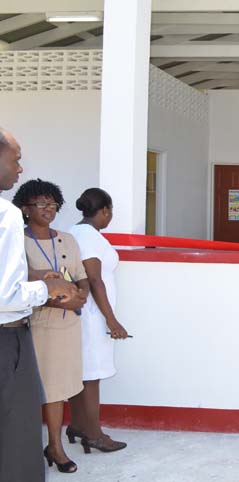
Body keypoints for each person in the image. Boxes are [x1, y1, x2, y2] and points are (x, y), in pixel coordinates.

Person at [0, 128, 78, 482]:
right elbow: (7, 295)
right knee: (18, 440)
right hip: (9, 336)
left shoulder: (68, 239)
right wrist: (47, 289)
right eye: (15, 159)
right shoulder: (5, 216)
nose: (19, 169)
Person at [13, 179, 90, 474]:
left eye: (53, 203)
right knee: (33, 391)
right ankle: (27, 448)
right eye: (41, 204)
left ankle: (55, 446)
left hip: (68, 326)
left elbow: (81, 278)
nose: (48, 209)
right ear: (25, 208)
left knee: (57, 390)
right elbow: (18, 285)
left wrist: (79, 297)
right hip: (35, 325)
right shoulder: (16, 239)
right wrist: (60, 299)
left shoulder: (67, 239)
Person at [69, 188, 129, 453]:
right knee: (92, 376)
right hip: (93, 317)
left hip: (84, 315)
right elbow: (95, 280)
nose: (110, 216)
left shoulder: (75, 230)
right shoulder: (90, 237)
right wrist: (112, 321)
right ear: (104, 210)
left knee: (81, 374)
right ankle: (94, 434)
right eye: (110, 211)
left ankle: (79, 425)